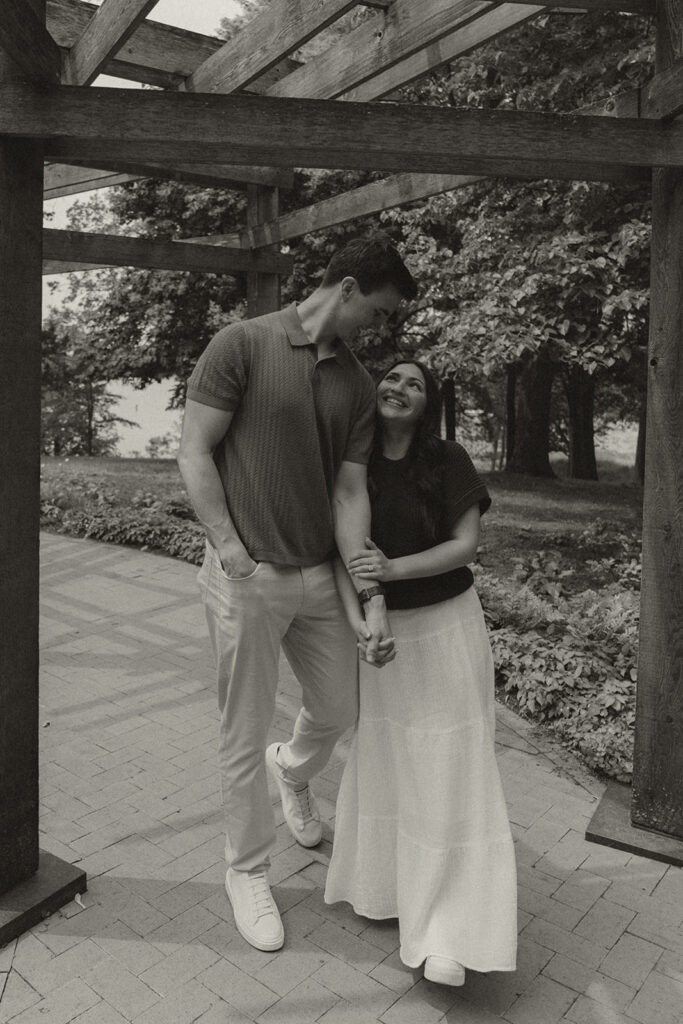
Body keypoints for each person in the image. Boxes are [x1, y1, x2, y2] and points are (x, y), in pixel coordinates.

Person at [177, 236, 417, 953]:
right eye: (376, 311)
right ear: (345, 289)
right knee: (241, 732)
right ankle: (246, 870)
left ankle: (295, 771)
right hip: (247, 575)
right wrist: (226, 545)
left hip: (318, 574)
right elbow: (194, 449)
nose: (379, 328)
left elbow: (349, 491)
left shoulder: (355, 382)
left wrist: (365, 588)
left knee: (339, 706)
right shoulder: (242, 344)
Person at [325, 359, 517, 986]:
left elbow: (465, 547)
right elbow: (340, 558)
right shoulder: (353, 464)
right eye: (392, 377)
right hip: (385, 638)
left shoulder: (447, 458)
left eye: (415, 383)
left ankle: (451, 932)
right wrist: (360, 624)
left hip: (447, 631)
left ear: (427, 402)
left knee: (451, 768)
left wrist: (391, 571)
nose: (399, 388)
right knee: (387, 760)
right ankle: (387, 889)